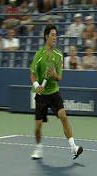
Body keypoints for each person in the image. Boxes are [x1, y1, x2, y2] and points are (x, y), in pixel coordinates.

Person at [29, 24, 83, 160]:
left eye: (56, 35)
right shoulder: (39, 55)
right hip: (41, 94)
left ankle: (73, 147)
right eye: (53, 35)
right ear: (46, 36)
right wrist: (36, 85)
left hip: (54, 92)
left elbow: (60, 77)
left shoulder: (59, 55)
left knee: (63, 116)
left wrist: (54, 74)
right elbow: (32, 74)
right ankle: (38, 147)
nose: (55, 37)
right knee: (38, 126)